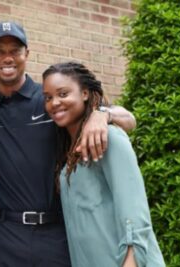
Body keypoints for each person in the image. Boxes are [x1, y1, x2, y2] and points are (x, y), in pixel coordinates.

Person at [0, 21, 137, 266]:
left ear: (27, 54)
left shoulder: (49, 101)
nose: (7, 57)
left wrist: (103, 114)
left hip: (57, 235)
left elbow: (130, 120)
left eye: (15, 50)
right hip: (6, 236)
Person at [42, 61, 165, 267]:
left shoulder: (110, 138)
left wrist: (103, 113)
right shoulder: (68, 151)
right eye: (48, 98)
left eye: (63, 94)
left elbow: (135, 215)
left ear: (85, 94)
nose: (54, 103)